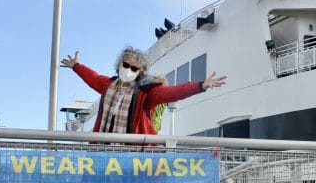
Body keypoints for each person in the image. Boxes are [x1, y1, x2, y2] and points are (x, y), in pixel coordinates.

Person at [60, 46, 226, 135]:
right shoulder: (107, 84)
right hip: (104, 151)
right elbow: (92, 77)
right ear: (119, 65)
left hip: (133, 154)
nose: (129, 70)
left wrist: (201, 85)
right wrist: (76, 66)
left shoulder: (146, 91)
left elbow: (172, 92)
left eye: (134, 68)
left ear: (140, 72)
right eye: (126, 65)